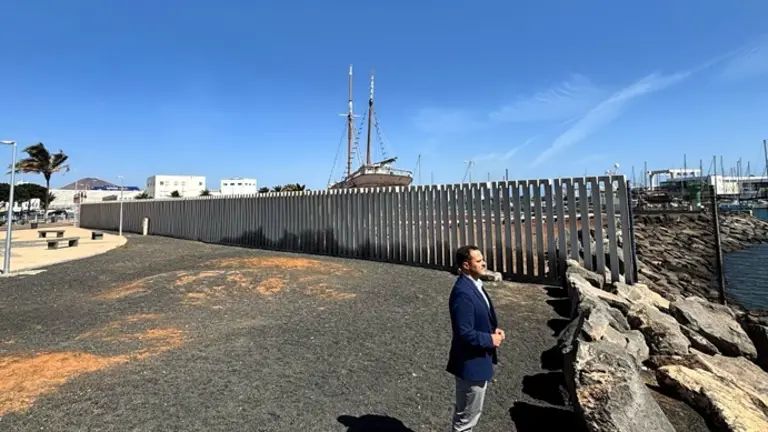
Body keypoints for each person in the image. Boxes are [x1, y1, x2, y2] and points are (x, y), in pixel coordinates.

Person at [446, 245, 505, 432]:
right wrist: (490, 340)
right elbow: (464, 332)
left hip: (477, 361)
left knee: (468, 415)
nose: (484, 263)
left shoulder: (475, 285)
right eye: (478, 261)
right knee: (466, 419)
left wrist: (493, 329)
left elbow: (480, 316)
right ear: (466, 265)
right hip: (471, 364)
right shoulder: (463, 293)